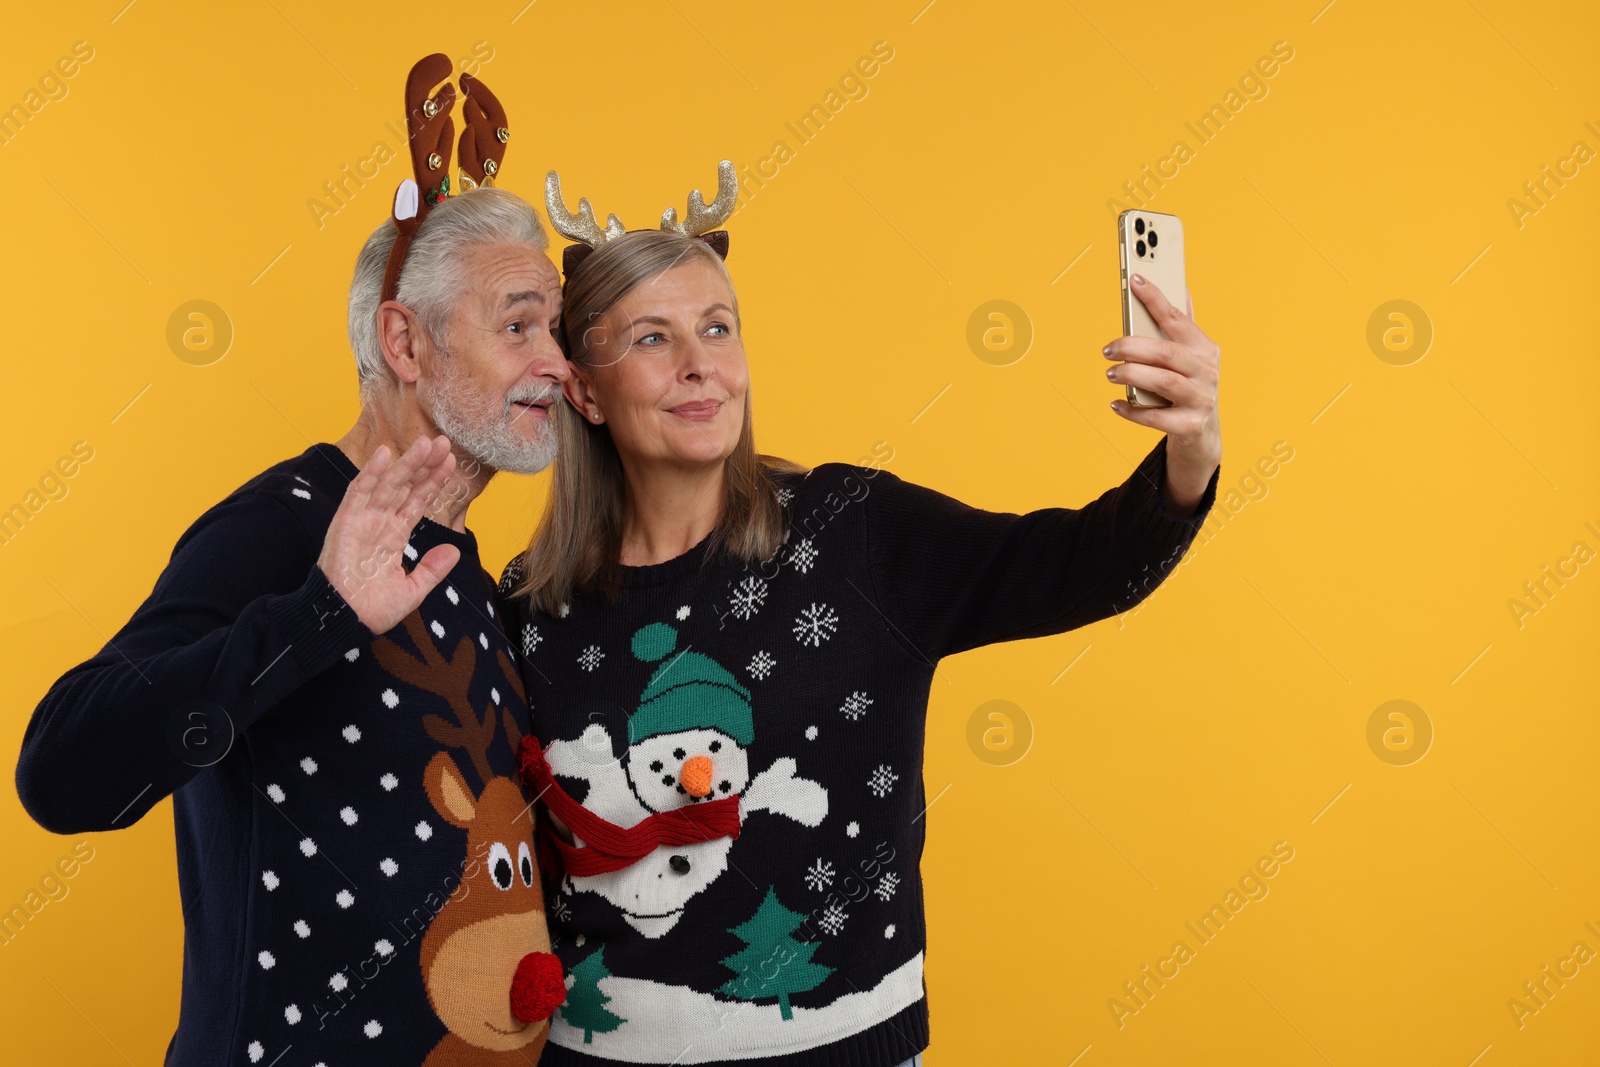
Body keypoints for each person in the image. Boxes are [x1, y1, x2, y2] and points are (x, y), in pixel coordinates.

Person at [494, 163, 1222, 1067]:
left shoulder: (856, 534)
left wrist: (1190, 452)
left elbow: (1078, 567)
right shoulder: (531, 607)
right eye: (652, 338)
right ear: (585, 391)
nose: (700, 365)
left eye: (717, 328)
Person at [15, 57, 568, 1064]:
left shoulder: (475, 582)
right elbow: (65, 769)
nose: (557, 362)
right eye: (520, 324)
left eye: (559, 329)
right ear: (406, 342)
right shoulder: (284, 528)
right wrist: (317, 614)